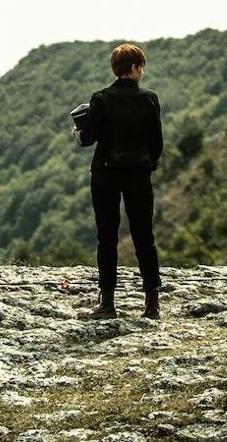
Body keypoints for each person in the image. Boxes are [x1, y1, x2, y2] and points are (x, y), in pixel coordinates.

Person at [71, 43, 164, 319]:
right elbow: (157, 143)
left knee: (107, 236)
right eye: (141, 66)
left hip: (105, 173)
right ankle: (151, 304)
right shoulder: (150, 99)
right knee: (144, 236)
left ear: (116, 69)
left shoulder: (101, 98)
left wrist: (77, 132)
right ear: (135, 68)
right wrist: (149, 164)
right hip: (138, 173)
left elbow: (88, 138)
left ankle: (108, 303)